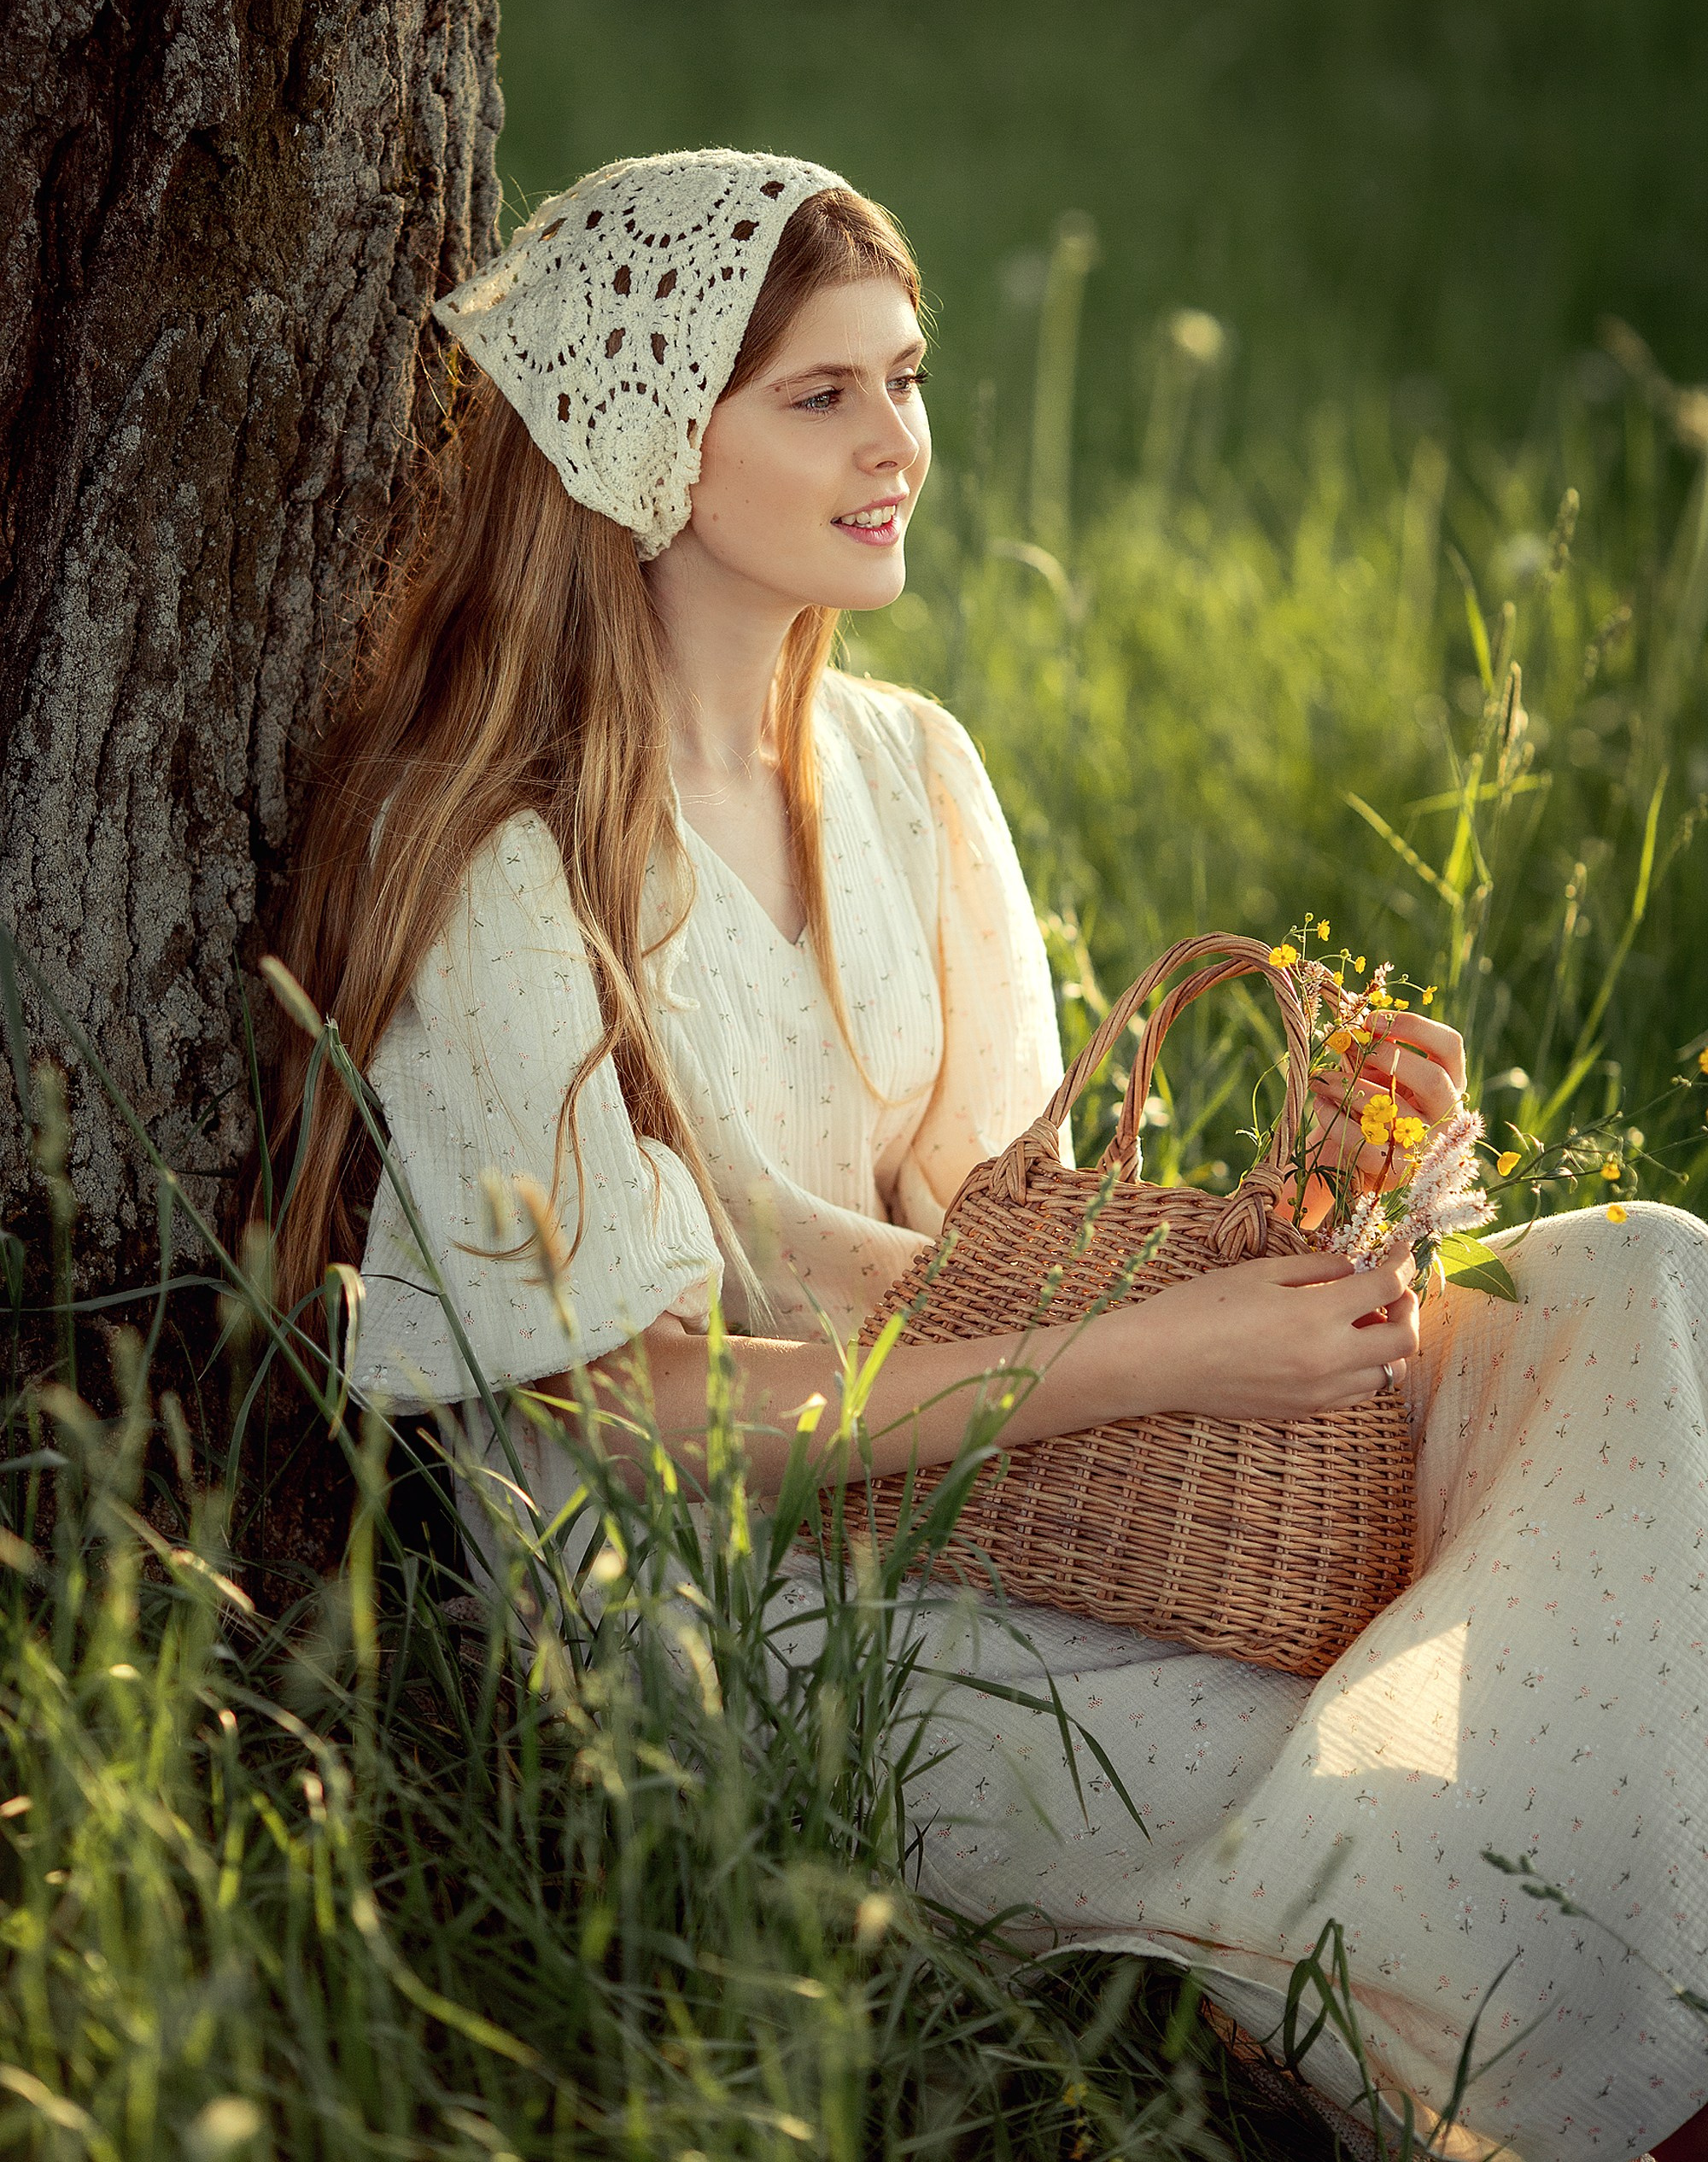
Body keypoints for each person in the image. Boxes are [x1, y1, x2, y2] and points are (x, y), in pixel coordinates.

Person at [272, 148, 1708, 2161]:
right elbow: (638, 1416)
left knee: (1644, 1276)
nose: (899, 445)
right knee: (1353, 1758)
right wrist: (1163, 1365)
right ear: (646, 450)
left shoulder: (908, 768)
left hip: (987, 1457)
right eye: (822, 396)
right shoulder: (510, 869)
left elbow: (999, 1246)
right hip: (723, 1595)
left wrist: (1327, 1188)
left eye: (911, 380)